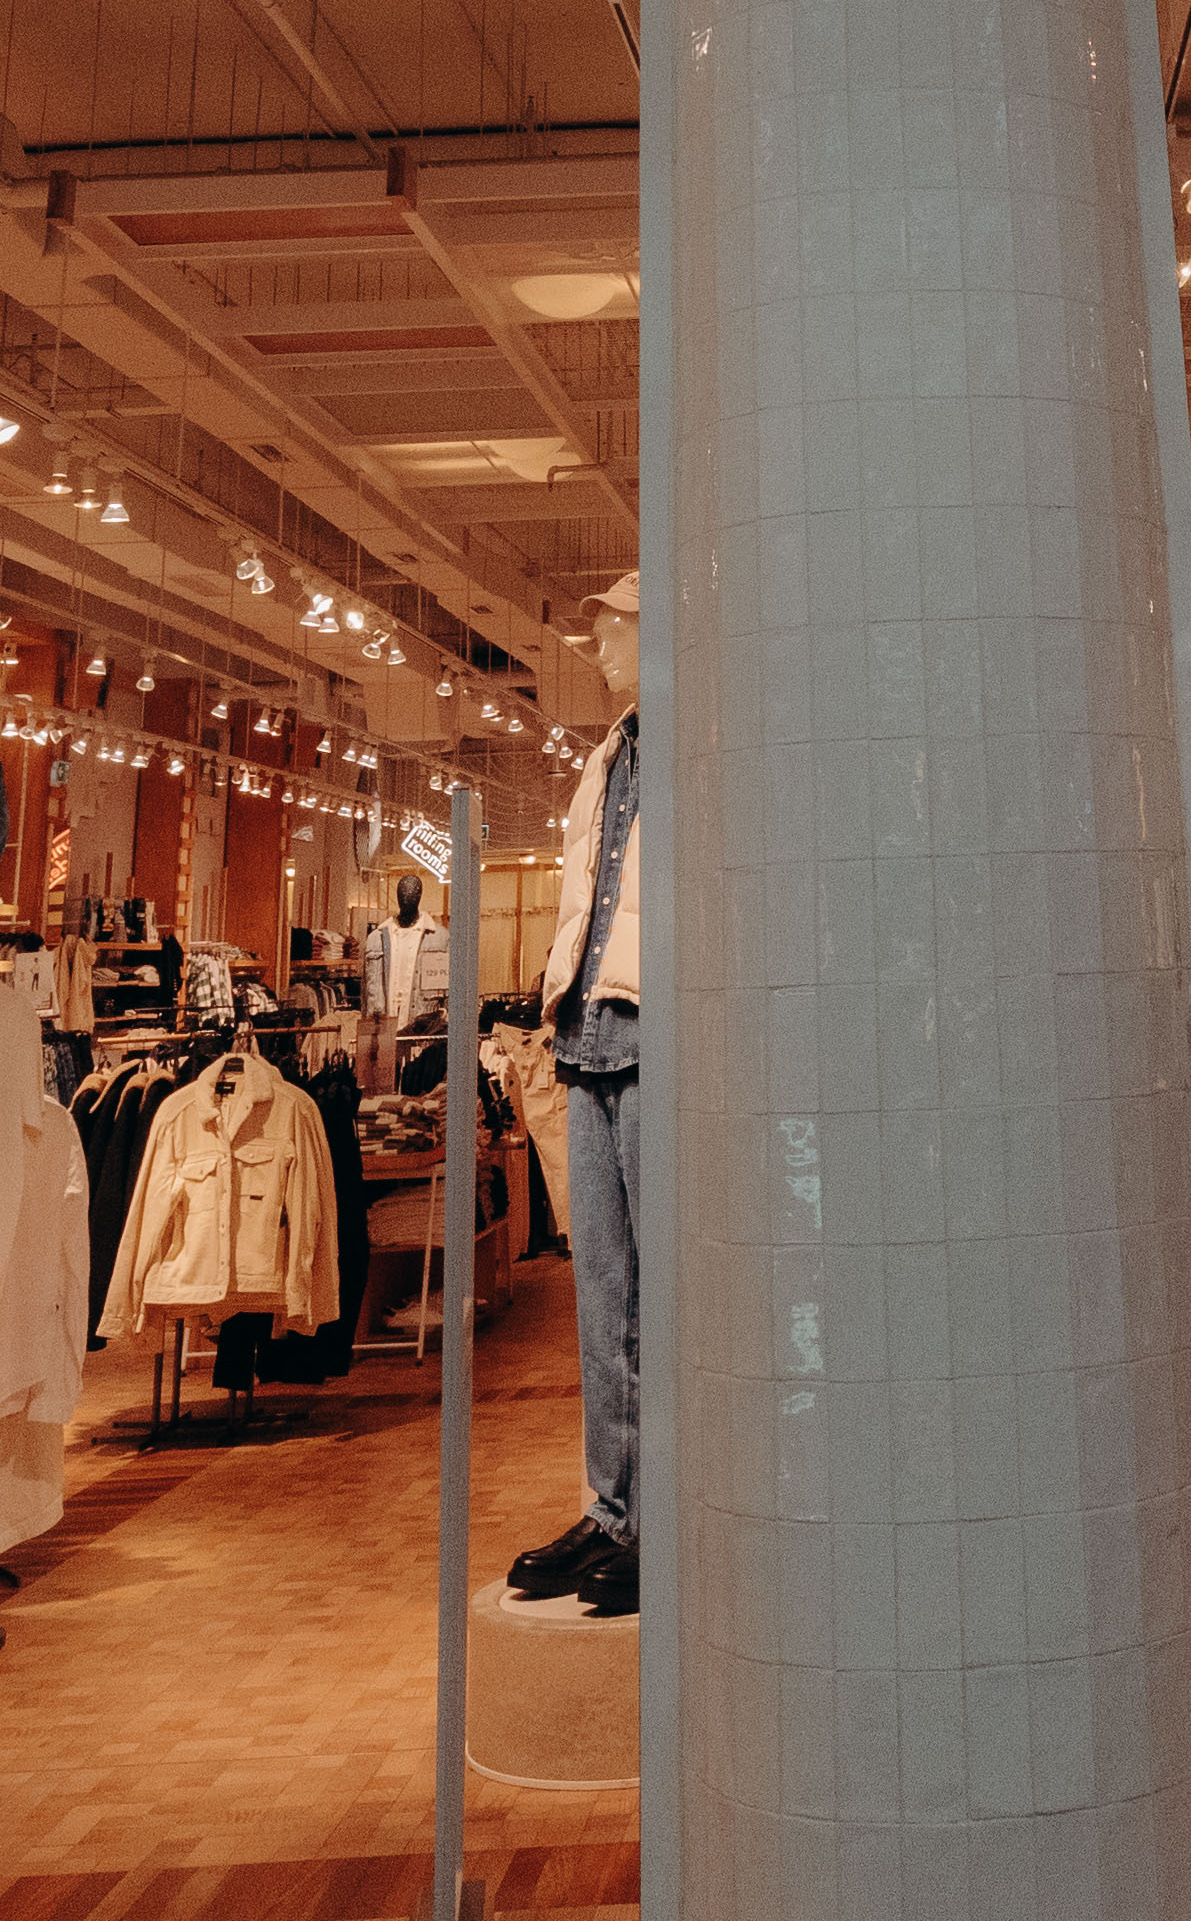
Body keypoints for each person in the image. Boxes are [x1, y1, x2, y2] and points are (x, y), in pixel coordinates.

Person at [505, 574, 645, 1621]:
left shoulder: (701, 748)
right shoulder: (609, 756)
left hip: (654, 1027)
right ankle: (614, 1507)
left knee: (665, 1292)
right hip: (587, 1032)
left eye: (614, 630)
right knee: (601, 1292)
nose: (598, 649)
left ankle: (668, 1511)